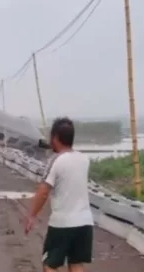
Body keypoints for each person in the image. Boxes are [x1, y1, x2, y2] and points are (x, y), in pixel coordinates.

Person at [25, 117, 93, 272]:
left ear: (55, 138)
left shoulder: (56, 160)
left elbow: (43, 192)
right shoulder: (84, 159)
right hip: (85, 222)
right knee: (76, 263)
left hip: (62, 223)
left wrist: (32, 216)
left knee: (49, 264)